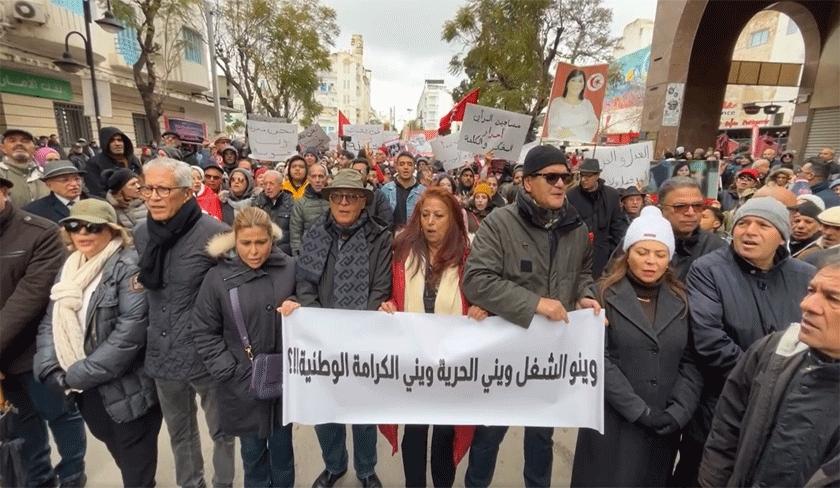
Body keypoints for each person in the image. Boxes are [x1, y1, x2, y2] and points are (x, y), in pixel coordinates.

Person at [462, 145, 601, 488]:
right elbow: (476, 280)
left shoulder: (577, 228)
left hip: (549, 358)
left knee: (541, 439)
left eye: (565, 177)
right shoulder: (499, 223)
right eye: (550, 177)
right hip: (504, 357)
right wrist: (537, 303)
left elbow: (583, 273)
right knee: (488, 436)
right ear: (526, 183)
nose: (559, 184)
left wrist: (586, 296)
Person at [671, 197, 817, 486]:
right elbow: (710, 340)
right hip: (720, 407)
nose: (749, 232)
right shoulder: (709, 269)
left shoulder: (806, 277)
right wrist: (768, 383)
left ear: (781, 237)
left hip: (786, 411)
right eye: (743, 223)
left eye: (762, 225)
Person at [33, 199, 162, 487]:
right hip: (85, 390)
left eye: (92, 226)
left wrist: (76, 375)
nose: (83, 233)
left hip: (127, 389)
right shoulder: (70, 267)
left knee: (136, 471)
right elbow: (49, 322)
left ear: (112, 230)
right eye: (74, 226)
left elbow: (130, 333)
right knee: (118, 452)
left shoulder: (129, 267)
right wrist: (48, 367)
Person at [571, 206, 702, 487]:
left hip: (663, 425)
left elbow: (691, 360)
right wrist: (638, 411)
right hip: (613, 423)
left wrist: (679, 411)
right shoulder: (601, 295)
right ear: (627, 253)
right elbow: (597, 358)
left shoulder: (682, 301)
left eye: (660, 254)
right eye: (642, 252)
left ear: (669, 259)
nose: (650, 261)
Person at [133, 157, 235, 488]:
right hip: (162, 356)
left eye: (163, 189)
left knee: (222, 431)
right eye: (147, 188)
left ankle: (223, 482)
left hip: (206, 356)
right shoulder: (140, 233)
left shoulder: (216, 234)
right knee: (181, 435)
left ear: (188, 191)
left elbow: (239, 288)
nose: (154, 197)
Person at [288, 169, 392, 488]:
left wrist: (358, 326)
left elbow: (381, 286)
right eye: (337, 196)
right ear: (330, 200)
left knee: (362, 412)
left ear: (363, 201)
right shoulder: (316, 234)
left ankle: (365, 469)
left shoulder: (379, 237)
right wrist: (319, 322)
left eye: (352, 196)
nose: (344, 202)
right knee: (325, 408)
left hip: (363, 338)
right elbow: (305, 282)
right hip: (321, 338)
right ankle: (334, 465)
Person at [377, 187, 487, 487]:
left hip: (451, 364)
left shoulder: (469, 255)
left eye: (438, 215)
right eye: (425, 215)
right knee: (414, 432)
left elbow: (483, 292)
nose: (430, 222)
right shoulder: (402, 253)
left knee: (444, 433)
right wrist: (389, 304)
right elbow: (391, 294)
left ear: (453, 218)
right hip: (414, 363)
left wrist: (481, 309)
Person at [699, 258, 840, 487]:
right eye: (811, 290)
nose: (807, 304)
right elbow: (726, 428)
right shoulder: (775, 349)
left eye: (833, 298)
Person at [192, 207, 296, 488]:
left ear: (271, 240)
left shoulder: (288, 268)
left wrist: (297, 307)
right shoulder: (217, 278)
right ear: (234, 240)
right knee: (252, 455)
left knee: (283, 452)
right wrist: (229, 370)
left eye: (261, 243)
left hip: (283, 384)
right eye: (246, 243)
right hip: (242, 385)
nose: (253, 251)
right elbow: (203, 329)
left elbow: (306, 306)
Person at [0, 175, 88, 488]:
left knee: (60, 414)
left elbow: (29, 298)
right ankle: (39, 479)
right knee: (22, 424)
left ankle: (72, 473)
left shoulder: (40, 232)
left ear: (5, 191)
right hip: (4, 360)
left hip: (37, 352)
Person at [567, 158, 629, 279]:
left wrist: (617, 255)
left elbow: (617, 227)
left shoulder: (611, 195)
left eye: (588, 176)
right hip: (576, 255)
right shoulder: (571, 196)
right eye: (582, 175)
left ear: (597, 175)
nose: (584, 179)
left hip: (603, 255)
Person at [657, 177, 727, 280]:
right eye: (680, 206)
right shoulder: (642, 242)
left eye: (697, 206)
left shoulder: (718, 248)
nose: (690, 213)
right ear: (661, 209)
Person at [84, 127, 142, 198]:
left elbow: (142, 180)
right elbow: (95, 191)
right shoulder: (94, 163)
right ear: (105, 143)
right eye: (112, 141)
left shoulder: (133, 159)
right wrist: (114, 199)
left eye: (119, 140)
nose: (117, 144)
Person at [24, 160, 89, 223]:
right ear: (49, 185)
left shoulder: (96, 202)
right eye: (65, 180)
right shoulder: (35, 211)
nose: (74, 184)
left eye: (77, 179)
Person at [546, 69, 599, 142]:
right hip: (559, 146)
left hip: (580, 147)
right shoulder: (557, 102)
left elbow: (593, 126)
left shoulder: (587, 104)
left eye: (580, 81)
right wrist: (580, 129)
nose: (576, 84)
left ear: (583, 85)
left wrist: (571, 131)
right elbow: (553, 128)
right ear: (567, 83)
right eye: (573, 80)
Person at [0, 128, 48, 208]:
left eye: (25, 141)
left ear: (34, 149)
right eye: (12, 141)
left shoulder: (46, 174)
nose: (19, 144)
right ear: (3, 148)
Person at [289, 163, 329, 255]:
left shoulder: (332, 200)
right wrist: (297, 256)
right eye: (314, 176)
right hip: (309, 253)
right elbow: (295, 234)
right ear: (308, 178)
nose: (317, 180)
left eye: (321, 176)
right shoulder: (300, 203)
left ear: (326, 178)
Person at [251, 169, 294, 254]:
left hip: (284, 254)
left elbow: (295, 233)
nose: (268, 187)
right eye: (265, 184)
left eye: (271, 183)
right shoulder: (256, 204)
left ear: (281, 186)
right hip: (262, 253)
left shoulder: (292, 204)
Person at [380, 151, 425, 229]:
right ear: (396, 167)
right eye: (402, 164)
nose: (406, 167)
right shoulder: (386, 190)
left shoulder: (423, 192)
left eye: (409, 164)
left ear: (414, 168)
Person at [352, 158, 394, 227]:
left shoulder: (378, 196)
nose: (356, 175)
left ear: (368, 175)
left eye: (360, 172)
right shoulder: (344, 194)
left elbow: (386, 222)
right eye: (353, 172)